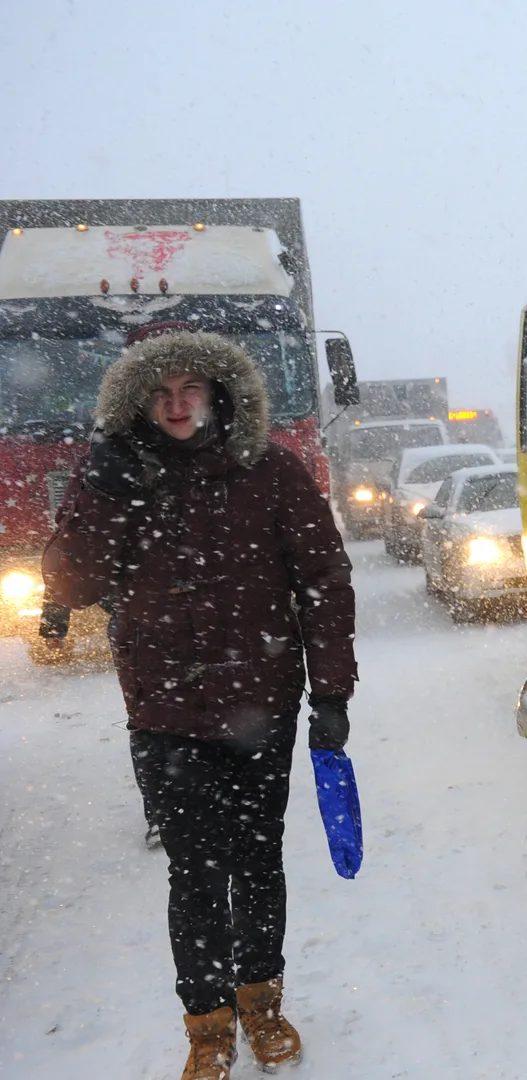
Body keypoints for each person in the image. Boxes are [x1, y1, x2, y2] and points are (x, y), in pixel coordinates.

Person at [41, 327, 355, 1080]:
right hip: (165, 713)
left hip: (261, 702)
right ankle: (207, 1026)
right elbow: (70, 585)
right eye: (161, 391)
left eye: (191, 389)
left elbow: (324, 580)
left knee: (256, 862)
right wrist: (108, 498)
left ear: (219, 394)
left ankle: (262, 1003)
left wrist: (332, 691)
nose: (177, 404)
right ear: (140, 402)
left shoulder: (271, 471)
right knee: (192, 871)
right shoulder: (110, 477)